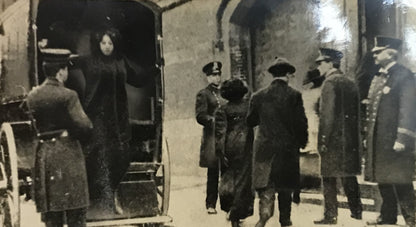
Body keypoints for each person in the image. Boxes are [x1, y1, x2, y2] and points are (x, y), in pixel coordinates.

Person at [81, 27, 154, 215]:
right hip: (97, 115)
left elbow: (137, 77)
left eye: (110, 43)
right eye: (103, 43)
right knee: (98, 152)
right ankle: (95, 197)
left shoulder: (121, 61)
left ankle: (111, 194)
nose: (107, 47)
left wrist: (154, 68)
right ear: (98, 44)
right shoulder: (90, 61)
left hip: (118, 115)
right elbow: (69, 64)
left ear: (115, 45)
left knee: (120, 155)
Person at [25, 48, 93, 227]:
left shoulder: (32, 96)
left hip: (44, 157)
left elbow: (28, 120)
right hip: (67, 155)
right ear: (61, 71)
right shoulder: (69, 96)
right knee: (75, 214)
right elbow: (85, 126)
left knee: (52, 216)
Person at [247, 57, 308, 227]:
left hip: (265, 148)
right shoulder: (294, 95)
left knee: (266, 183)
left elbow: (250, 121)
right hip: (287, 150)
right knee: (285, 186)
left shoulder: (258, 96)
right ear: (287, 75)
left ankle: (265, 214)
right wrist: (302, 143)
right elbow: (301, 123)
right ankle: (285, 220)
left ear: (273, 75)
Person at [364, 36, 416, 227]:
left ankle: (413, 218)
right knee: (383, 179)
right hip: (380, 139)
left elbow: (408, 109)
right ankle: (387, 216)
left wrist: (402, 137)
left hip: (395, 139)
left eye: (378, 52)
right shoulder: (379, 76)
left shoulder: (404, 75)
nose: (374, 55)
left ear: (391, 53)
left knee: (401, 180)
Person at [312, 48, 363, 225]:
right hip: (349, 140)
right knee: (349, 176)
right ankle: (357, 212)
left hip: (333, 140)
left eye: (321, 63)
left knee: (328, 178)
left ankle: (330, 215)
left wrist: (323, 140)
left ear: (330, 63)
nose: (318, 67)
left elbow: (327, 115)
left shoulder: (329, 83)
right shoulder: (350, 83)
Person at [215, 78, 254, 227]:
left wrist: (220, 152)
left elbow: (220, 133)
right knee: (244, 181)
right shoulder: (249, 107)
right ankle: (239, 211)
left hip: (229, 147)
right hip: (247, 146)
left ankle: (232, 210)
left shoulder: (222, 110)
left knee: (228, 180)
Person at [195, 61, 227, 214]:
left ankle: (228, 204)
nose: (217, 78)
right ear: (208, 77)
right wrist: (213, 120)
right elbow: (200, 116)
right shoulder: (204, 94)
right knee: (213, 172)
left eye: (218, 74)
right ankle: (210, 204)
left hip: (226, 135)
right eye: (213, 75)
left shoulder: (225, 92)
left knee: (227, 171)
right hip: (212, 138)